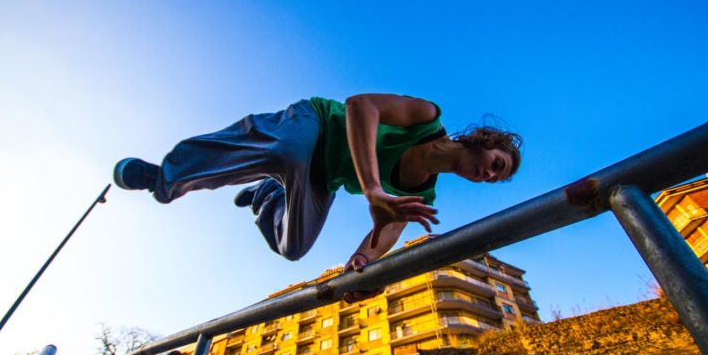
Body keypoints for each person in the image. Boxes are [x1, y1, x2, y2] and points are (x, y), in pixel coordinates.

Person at [114, 94, 522, 282]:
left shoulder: (422, 196)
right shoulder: (426, 117)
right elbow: (361, 106)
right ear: (487, 142)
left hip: (320, 177)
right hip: (319, 125)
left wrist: (361, 262)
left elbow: (382, 239)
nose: (488, 175)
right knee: (287, 150)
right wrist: (373, 188)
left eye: (494, 180)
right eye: (496, 165)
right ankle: (165, 176)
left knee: (293, 248)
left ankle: (267, 196)